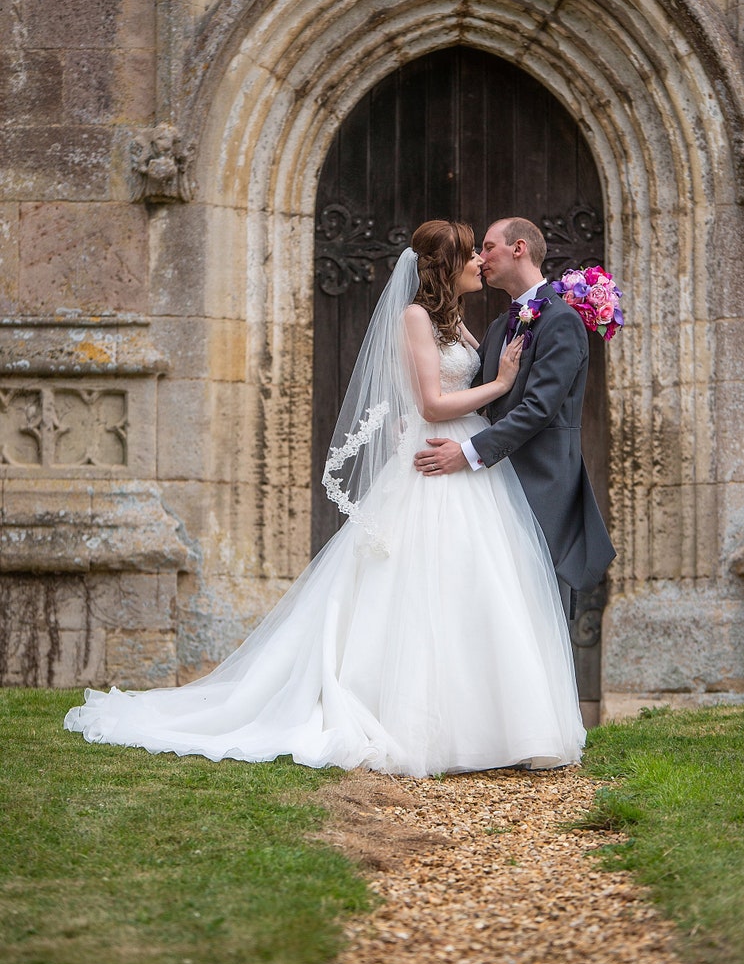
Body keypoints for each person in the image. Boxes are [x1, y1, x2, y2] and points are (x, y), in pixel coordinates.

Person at [65, 221, 585, 777]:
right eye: (472, 254)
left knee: (477, 584)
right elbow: (435, 404)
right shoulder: (414, 318)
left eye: (486, 251)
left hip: (469, 462)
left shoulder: (458, 323)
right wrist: (503, 384)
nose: (481, 262)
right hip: (440, 456)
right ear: (446, 266)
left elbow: (466, 390)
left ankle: (494, 722)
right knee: (421, 586)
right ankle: (416, 719)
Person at [415, 217, 615, 620]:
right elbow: (462, 389)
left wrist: (467, 453)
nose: (481, 258)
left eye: (488, 247)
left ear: (518, 248)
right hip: (493, 490)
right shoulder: (497, 326)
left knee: (540, 614)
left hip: (542, 484)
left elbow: (539, 409)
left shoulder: (561, 321)